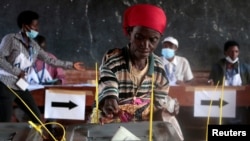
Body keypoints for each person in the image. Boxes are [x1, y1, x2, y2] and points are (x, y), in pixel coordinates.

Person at [89, 4, 183, 140]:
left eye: (152, 40)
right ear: (129, 33)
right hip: (112, 123)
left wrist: (166, 107)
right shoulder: (114, 60)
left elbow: (158, 103)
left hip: (142, 127)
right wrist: (110, 99)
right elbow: (108, 81)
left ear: (159, 39)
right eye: (139, 37)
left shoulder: (158, 68)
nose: (145, 45)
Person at [0, 10, 85, 123]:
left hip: (20, 85)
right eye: (34, 26)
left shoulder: (34, 45)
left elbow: (49, 60)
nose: (37, 29)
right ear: (25, 26)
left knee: (36, 118)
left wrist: (71, 65)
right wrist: (16, 71)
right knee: (4, 122)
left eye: (37, 25)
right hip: (5, 84)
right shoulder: (10, 39)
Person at [208, 40, 250, 124]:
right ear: (225, 52)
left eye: (236, 51)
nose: (234, 54)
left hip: (240, 100)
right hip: (223, 99)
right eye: (231, 52)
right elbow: (211, 81)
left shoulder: (245, 67)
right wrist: (211, 83)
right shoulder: (217, 67)